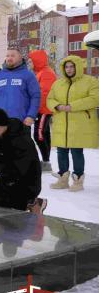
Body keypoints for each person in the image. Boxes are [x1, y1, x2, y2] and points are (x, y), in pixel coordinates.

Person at [47, 55, 99, 192]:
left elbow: (95, 99)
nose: (69, 69)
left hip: (79, 124)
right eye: (66, 67)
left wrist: (72, 106)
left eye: (72, 66)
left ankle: (78, 180)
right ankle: (63, 179)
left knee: (76, 151)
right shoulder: (58, 83)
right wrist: (57, 106)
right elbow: (49, 99)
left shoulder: (90, 81)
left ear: (78, 67)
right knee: (61, 151)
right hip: (61, 123)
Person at [0, 46, 40, 128]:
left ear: (20, 57)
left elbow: (35, 97)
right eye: (7, 56)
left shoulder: (28, 75)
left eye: (12, 55)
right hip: (1, 122)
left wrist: (31, 115)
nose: (9, 58)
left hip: (21, 121)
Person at [28, 50, 57, 172]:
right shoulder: (41, 72)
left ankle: (45, 162)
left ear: (37, 61)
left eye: (31, 61)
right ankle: (46, 161)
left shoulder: (46, 73)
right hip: (44, 109)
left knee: (38, 135)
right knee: (44, 135)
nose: (30, 63)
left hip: (43, 109)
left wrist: (35, 109)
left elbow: (43, 94)